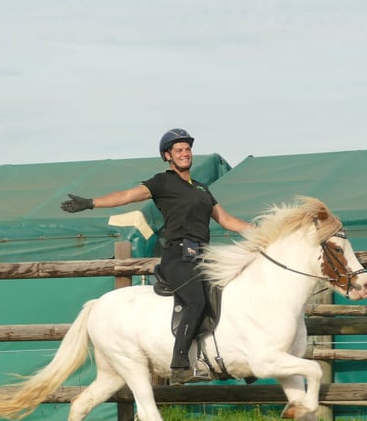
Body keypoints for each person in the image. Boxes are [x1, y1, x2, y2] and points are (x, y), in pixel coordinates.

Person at [61, 128, 252, 384]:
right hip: (177, 257)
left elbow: (227, 220)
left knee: (231, 296)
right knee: (196, 301)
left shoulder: (202, 189)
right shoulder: (162, 182)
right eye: (179, 150)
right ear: (167, 156)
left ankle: (239, 362)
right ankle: (180, 364)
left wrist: (262, 232)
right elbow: (126, 196)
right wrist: (91, 202)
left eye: (187, 149)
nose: (185, 153)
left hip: (204, 257)